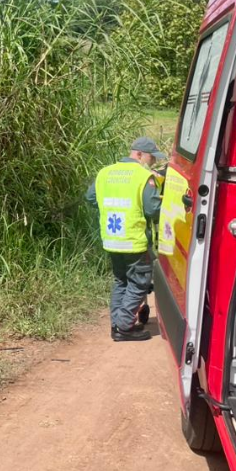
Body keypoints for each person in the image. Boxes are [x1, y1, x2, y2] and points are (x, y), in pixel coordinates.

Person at [86, 137, 163, 342]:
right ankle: (124, 327)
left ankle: (116, 325)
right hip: (134, 240)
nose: (153, 162)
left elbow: (91, 198)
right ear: (138, 154)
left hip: (112, 239)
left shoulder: (105, 172)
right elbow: (152, 209)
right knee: (139, 284)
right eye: (151, 157)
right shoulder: (144, 176)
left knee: (121, 281)